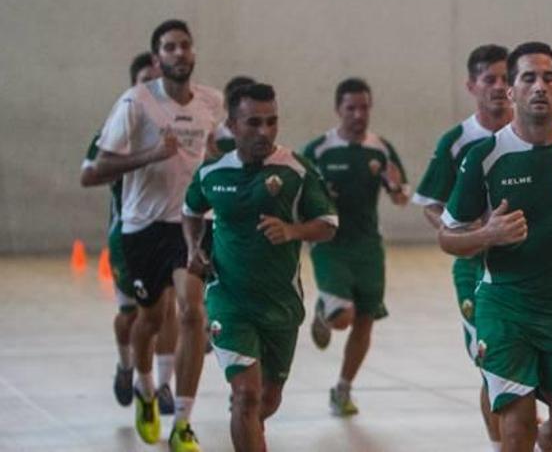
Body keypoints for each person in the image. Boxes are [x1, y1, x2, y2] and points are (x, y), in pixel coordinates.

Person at [440, 42, 552, 452]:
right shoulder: (486, 156)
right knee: (515, 432)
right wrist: (486, 235)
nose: (540, 86)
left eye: (548, 77)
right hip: (506, 308)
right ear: (511, 90)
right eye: (528, 78)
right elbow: (448, 236)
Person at [183, 82, 337, 452]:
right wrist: (194, 249)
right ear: (232, 126)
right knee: (245, 395)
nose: (264, 132)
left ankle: (249, 431)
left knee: (267, 399)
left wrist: (294, 230)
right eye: (253, 123)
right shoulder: (212, 173)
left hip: (280, 304)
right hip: (228, 299)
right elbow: (191, 211)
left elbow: (329, 224)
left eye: (271, 122)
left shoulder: (296, 170)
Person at [94, 19, 224, 451]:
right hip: (142, 227)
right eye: (170, 47)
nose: (179, 53)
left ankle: (182, 422)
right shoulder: (135, 103)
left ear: (194, 53)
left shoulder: (212, 103)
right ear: (157, 58)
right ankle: (146, 391)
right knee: (149, 319)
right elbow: (94, 171)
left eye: (185, 45)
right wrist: (152, 154)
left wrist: (219, 161)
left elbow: (224, 150)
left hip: (191, 222)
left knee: (191, 313)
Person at [412, 44, 511, 450]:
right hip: (475, 270)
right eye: (490, 79)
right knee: (494, 368)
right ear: (472, 85)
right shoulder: (457, 142)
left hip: (531, 268)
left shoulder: (532, 134)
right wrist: (466, 234)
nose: (500, 87)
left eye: (507, 78)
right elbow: (431, 205)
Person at [303, 77, 409, 416]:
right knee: (343, 317)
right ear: (338, 109)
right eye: (351, 108)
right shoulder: (318, 150)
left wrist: (396, 189)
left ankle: (343, 388)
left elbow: (402, 195)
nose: (358, 114)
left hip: (368, 247)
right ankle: (324, 312)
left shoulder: (380, 148)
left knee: (365, 319)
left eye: (364, 107)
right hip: (330, 244)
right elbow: (300, 196)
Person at [81, 52, 179, 414]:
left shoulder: (181, 127)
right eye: (145, 82)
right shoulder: (117, 129)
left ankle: (162, 386)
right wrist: (146, 158)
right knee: (133, 317)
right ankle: (126, 367)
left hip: (170, 233)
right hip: (128, 237)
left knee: (169, 309)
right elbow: (89, 174)